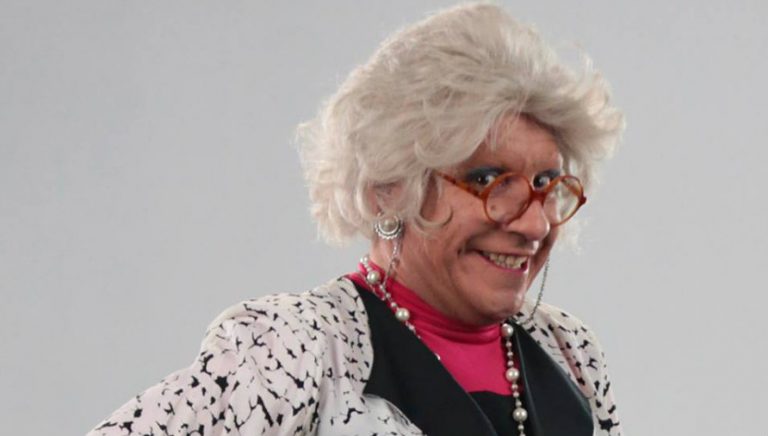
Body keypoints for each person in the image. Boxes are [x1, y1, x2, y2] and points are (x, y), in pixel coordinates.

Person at [88, 3, 625, 435]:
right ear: (389, 190)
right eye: (487, 180)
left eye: (545, 185)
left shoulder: (568, 352)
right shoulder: (300, 350)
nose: (533, 225)